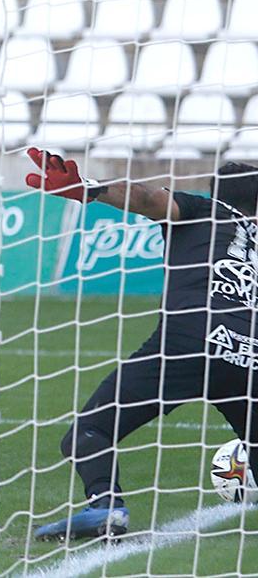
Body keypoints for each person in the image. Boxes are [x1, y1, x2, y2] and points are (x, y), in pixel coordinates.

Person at [26, 147, 258, 540]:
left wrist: (90, 189)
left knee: (89, 432)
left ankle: (106, 506)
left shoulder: (204, 210)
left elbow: (149, 199)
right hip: (248, 351)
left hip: (189, 338)